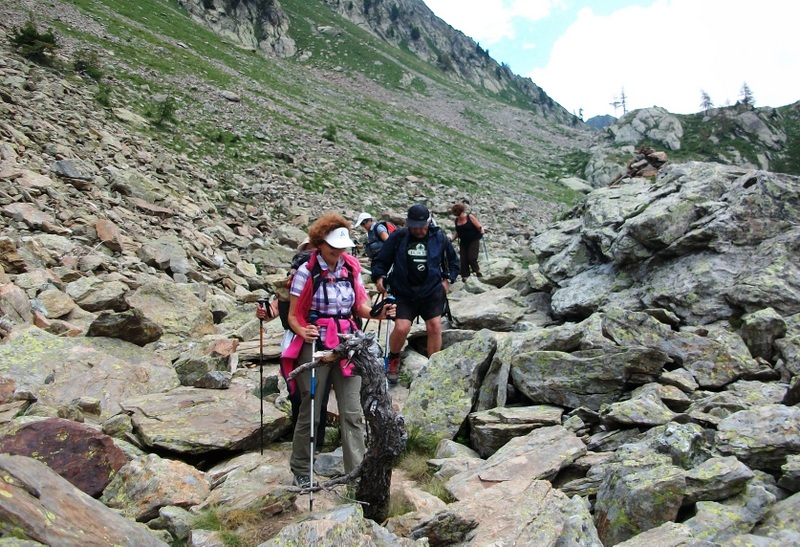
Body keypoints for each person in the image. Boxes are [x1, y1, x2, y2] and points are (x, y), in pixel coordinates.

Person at [265, 212, 395, 488]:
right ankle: (302, 468)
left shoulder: (351, 268)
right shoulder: (306, 272)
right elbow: (293, 316)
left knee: (352, 412)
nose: (338, 252)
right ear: (320, 243)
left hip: (347, 344)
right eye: (334, 247)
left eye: (342, 247)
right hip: (315, 344)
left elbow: (359, 307)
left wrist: (378, 313)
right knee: (311, 408)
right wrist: (303, 331)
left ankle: (356, 476)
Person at [371, 203, 460, 384]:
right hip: (404, 292)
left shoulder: (439, 238)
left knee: (435, 326)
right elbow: (381, 260)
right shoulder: (399, 237)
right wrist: (379, 277)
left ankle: (433, 366)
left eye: (421, 226)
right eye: (414, 226)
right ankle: (394, 358)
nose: (418, 230)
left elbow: (453, 262)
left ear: (428, 222)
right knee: (402, 327)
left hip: (431, 291)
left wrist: (447, 280)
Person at [450, 202, 485, 281]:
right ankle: (465, 277)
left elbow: (479, 226)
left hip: (473, 240)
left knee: (472, 258)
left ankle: (478, 272)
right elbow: (458, 232)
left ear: (463, 211)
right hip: (463, 242)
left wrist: (482, 232)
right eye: (456, 215)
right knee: (463, 260)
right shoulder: (457, 220)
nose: (458, 216)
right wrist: (451, 239)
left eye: (459, 214)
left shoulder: (470, 217)